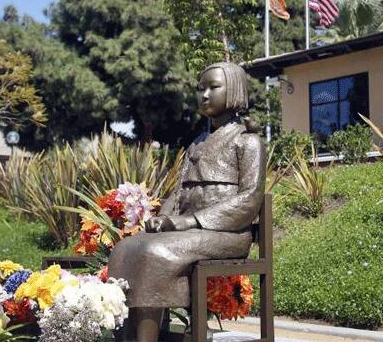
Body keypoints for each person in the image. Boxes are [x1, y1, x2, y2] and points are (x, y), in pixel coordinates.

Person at [108, 62, 266, 342]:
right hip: (191, 231)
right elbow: (179, 192)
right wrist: (162, 218)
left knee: (153, 253)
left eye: (213, 87)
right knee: (125, 248)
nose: (204, 94)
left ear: (235, 90)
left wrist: (188, 221)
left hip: (227, 233)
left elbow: (249, 199)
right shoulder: (196, 143)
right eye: (200, 89)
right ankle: (129, 336)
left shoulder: (248, 142)